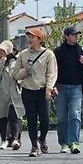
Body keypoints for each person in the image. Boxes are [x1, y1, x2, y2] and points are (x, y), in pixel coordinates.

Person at [12, 28, 58, 157]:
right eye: (29, 37)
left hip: (43, 91)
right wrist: (25, 71)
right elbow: (15, 74)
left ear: (40, 39)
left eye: (33, 37)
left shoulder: (48, 54)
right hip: (28, 91)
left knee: (45, 120)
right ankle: (34, 147)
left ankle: (42, 138)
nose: (30, 40)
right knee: (31, 120)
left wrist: (49, 89)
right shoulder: (23, 54)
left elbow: (52, 73)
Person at [54, 26, 83, 154]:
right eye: (73, 34)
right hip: (60, 86)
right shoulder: (58, 52)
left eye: (77, 35)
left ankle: (74, 143)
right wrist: (52, 86)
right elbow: (53, 71)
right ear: (66, 36)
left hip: (77, 87)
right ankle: (64, 143)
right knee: (61, 117)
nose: (76, 36)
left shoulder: (82, 52)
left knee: (75, 114)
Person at [0, 39, 24, 151]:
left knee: (14, 116)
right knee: (2, 118)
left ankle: (15, 139)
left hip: (14, 93)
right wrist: (1, 63)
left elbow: (18, 75)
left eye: (3, 51)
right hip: (0, 94)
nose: (1, 53)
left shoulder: (16, 61)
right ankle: (4, 140)